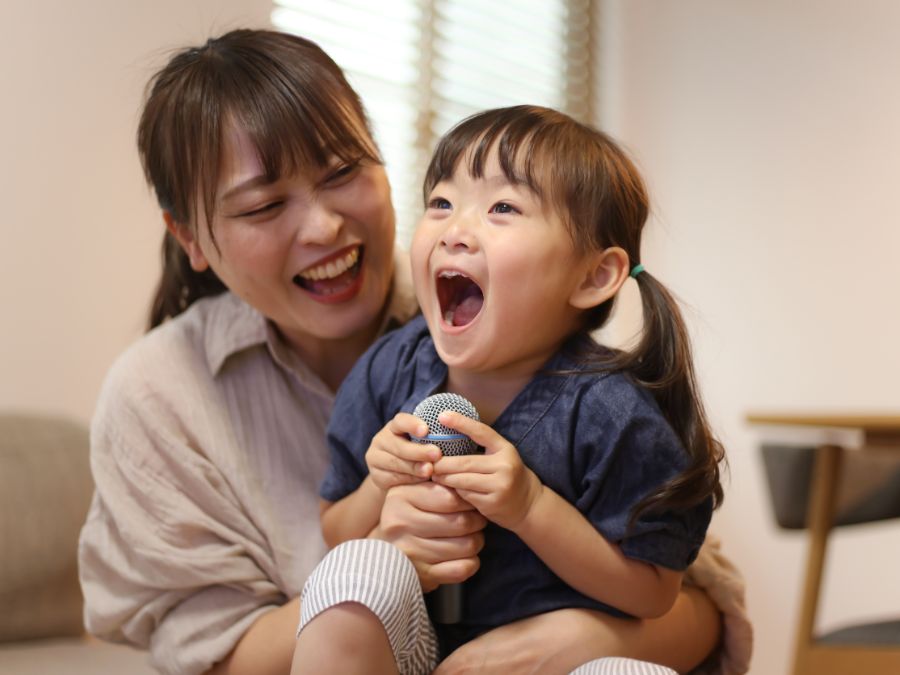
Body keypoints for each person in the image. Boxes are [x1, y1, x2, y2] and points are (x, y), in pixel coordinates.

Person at [77, 28, 750, 675]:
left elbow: (689, 590)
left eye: (343, 170)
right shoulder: (157, 393)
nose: (324, 226)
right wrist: (379, 557)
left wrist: (581, 636)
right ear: (189, 236)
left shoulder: (534, 343)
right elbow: (210, 656)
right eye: (263, 206)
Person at [294, 105, 738, 675]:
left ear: (593, 276)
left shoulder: (613, 414)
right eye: (441, 203)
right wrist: (380, 485)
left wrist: (530, 507)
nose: (455, 230)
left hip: (554, 659)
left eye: (503, 207)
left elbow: (652, 594)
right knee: (353, 567)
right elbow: (336, 528)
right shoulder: (391, 367)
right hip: (415, 654)